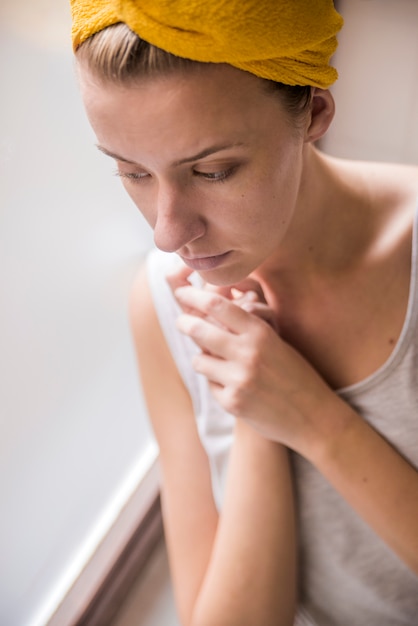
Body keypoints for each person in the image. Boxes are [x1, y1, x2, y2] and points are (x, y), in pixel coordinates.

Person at [70, 1, 418, 624]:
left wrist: (314, 420)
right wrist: (256, 414)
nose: (169, 233)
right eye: (132, 172)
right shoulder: (163, 305)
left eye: (213, 169)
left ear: (313, 111)